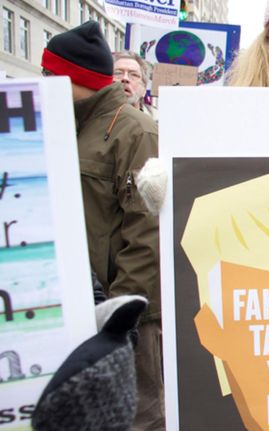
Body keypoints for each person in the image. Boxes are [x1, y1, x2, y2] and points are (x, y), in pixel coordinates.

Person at [41, 21, 163, 430]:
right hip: (79, 307)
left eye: (49, 74)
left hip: (126, 317)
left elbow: (146, 230)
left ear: (70, 78)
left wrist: (123, 316)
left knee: (139, 416)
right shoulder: (68, 126)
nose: (43, 82)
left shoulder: (135, 130)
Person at [113, 51, 158, 121]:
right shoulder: (92, 119)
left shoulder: (160, 123)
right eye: (118, 73)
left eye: (134, 75)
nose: (125, 78)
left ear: (144, 89)